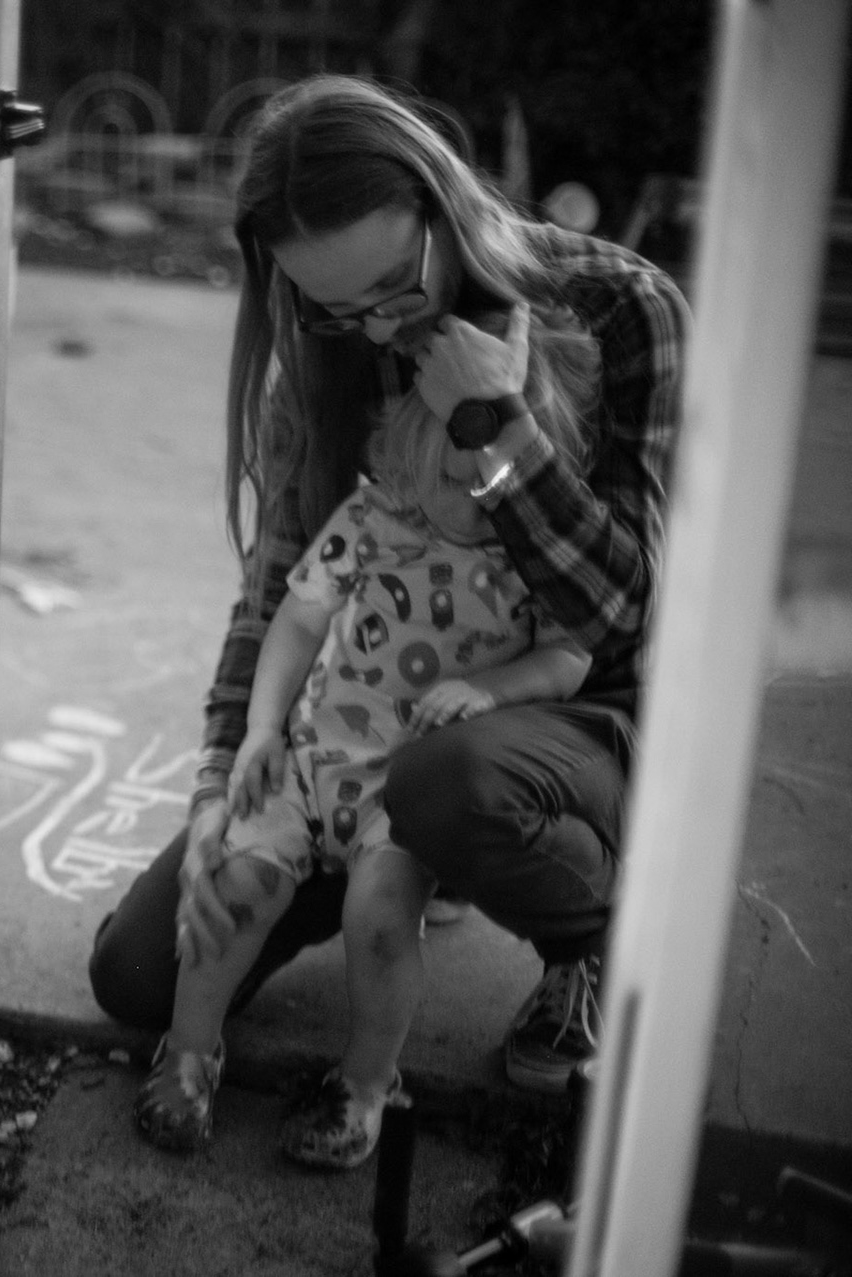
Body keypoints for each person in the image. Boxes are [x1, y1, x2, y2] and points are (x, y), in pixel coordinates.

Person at [89, 74, 688, 1100]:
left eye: (394, 295)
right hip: (360, 746)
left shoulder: (624, 307)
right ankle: (418, 866)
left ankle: (588, 934)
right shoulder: (330, 342)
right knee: (139, 973)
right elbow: (279, 588)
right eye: (335, 311)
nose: (377, 335)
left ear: (448, 209)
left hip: (568, 720)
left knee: (450, 783)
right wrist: (216, 789)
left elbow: (627, 616)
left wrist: (498, 429)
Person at [136, 403, 592, 1166]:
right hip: (309, 764)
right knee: (237, 884)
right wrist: (260, 730)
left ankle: (365, 1085)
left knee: (381, 920)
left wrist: (494, 687)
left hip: (404, 793)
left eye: (501, 477)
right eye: (455, 477)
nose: (481, 494)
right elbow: (299, 620)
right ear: (410, 458)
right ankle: (186, 1054)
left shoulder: (533, 550)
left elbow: (569, 660)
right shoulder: (376, 514)